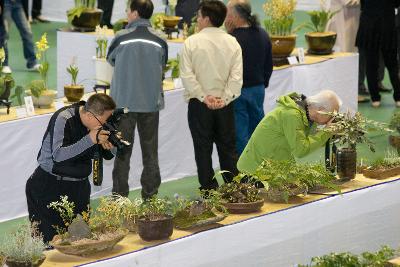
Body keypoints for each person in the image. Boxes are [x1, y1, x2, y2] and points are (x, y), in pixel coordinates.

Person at [25, 93, 116, 243]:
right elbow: (59, 155)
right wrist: (90, 139)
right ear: (90, 115)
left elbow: (101, 156)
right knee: (50, 244)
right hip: (49, 186)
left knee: (81, 241)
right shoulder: (63, 118)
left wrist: (108, 145)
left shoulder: (95, 126)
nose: (105, 124)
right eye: (104, 120)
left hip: (79, 187)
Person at [107, 0, 167, 199]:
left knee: (122, 153)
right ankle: (150, 197)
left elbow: (111, 59)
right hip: (150, 104)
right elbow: (163, 63)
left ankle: (119, 199)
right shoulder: (160, 40)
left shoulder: (121, 38)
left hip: (123, 104)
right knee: (151, 153)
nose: (126, 12)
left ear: (134, 13)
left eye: (127, 9)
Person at [180, 0, 243, 190]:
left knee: (203, 149)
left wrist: (203, 96)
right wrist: (224, 98)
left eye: (198, 16)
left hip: (200, 106)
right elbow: (236, 76)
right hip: (225, 105)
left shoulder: (191, 42)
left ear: (206, 19)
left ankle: (209, 190)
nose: (197, 20)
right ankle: (234, 189)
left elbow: (187, 75)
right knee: (228, 149)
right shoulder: (232, 42)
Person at [237, 90, 342, 173]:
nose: (331, 119)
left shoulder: (307, 114)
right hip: (255, 171)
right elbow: (301, 150)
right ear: (321, 110)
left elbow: (313, 140)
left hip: (273, 166)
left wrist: (334, 134)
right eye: (332, 115)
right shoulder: (292, 115)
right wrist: (327, 132)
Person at [225, 0, 272, 155]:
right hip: (258, 88)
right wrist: (262, 83)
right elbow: (268, 64)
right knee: (258, 129)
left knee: (241, 134)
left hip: (238, 91)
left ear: (233, 16)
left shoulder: (231, 39)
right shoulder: (262, 34)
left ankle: (244, 170)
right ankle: (262, 165)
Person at [356, 0, 400, 108]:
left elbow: (363, 4)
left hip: (369, 23)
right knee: (392, 63)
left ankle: (375, 98)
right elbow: (396, 3)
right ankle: (398, 97)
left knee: (371, 64)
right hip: (386, 23)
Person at [2, 0, 40, 74]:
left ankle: (32, 63)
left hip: (18, 4)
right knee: (4, 34)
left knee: (27, 32)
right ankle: (4, 64)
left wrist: (27, 16)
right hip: (5, 3)